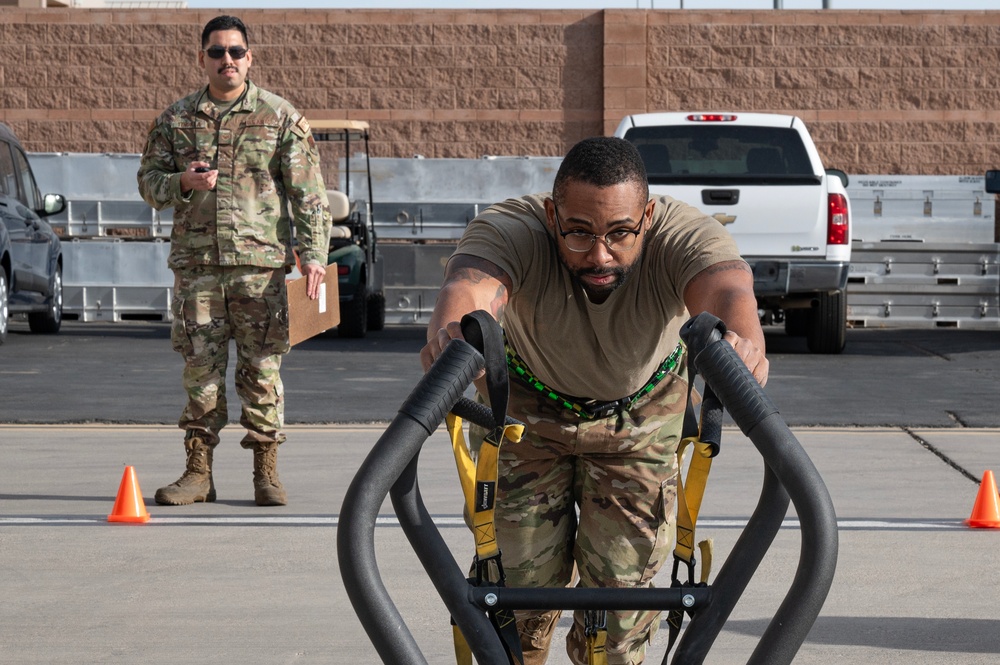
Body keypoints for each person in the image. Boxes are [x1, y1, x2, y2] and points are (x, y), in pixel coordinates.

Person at [420, 136, 767, 664]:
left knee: (621, 617)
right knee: (518, 597)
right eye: (578, 232)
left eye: (621, 233)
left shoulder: (680, 233)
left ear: (647, 216)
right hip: (527, 416)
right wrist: (454, 336)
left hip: (640, 419)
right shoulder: (515, 227)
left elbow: (727, 291)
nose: (600, 254)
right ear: (552, 213)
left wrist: (740, 344)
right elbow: (470, 287)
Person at [137, 15, 331, 507]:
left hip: (259, 272)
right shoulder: (176, 120)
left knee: (262, 370)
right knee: (200, 372)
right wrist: (183, 181)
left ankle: (266, 472)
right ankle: (198, 473)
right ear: (201, 57)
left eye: (236, 52)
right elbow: (148, 183)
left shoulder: (279, 116)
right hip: (198, 271)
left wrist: (313, 257)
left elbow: (308, 194)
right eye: (217, 52)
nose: (228, 60)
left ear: (251, 57)